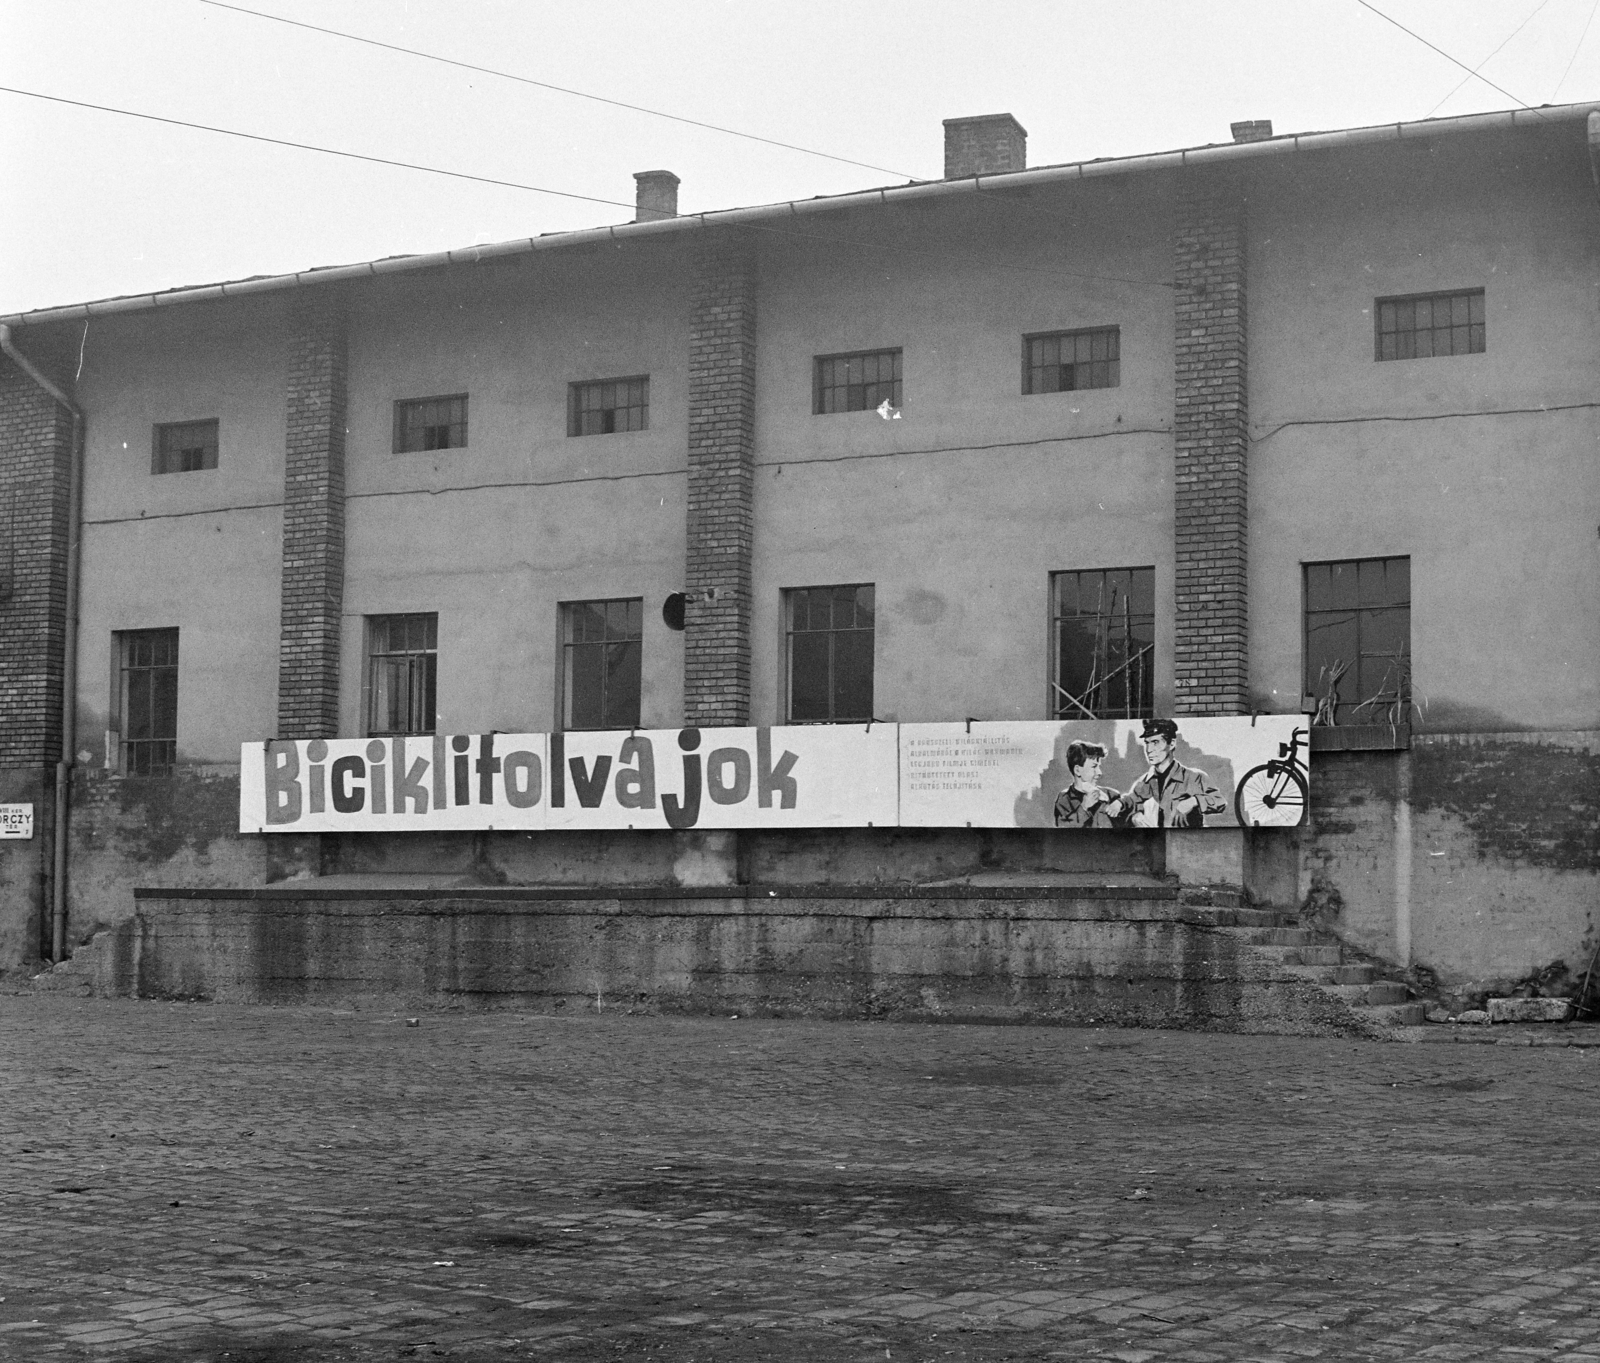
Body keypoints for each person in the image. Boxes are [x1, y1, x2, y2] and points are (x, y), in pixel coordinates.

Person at [1127, 719, 1226, 828]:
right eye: (1147, 743)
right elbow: (1129, 803)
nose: (1149, 750)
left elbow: (1220, 801)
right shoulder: (1144, 782)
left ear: (1172, 743)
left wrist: (1193, 801)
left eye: (1155, 742)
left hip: (1188, 837)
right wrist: (1134, 815)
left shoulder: (1193, 777)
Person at [1053, 741, 1131, 829]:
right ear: (1077, 770)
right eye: (1094, 766)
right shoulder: (1064, 799)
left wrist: (1121, 803)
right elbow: (1063, 829)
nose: (1099, 772)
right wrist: (1084, 807)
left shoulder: (1111, 795)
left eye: (1099, 767)